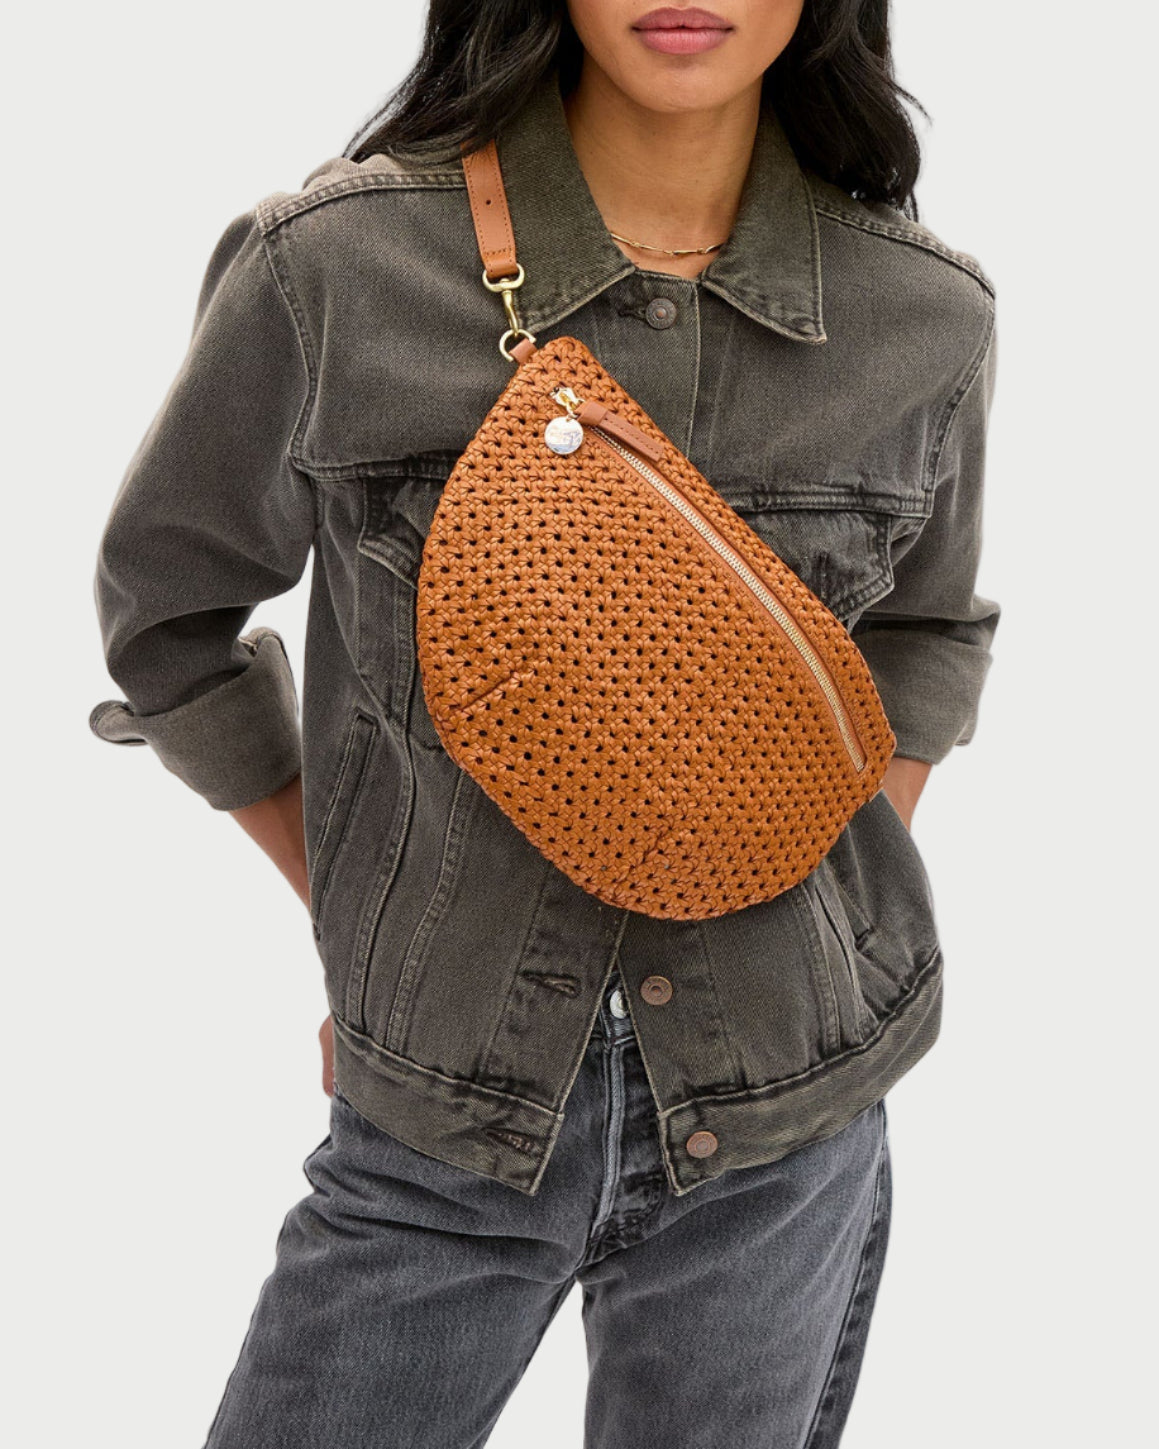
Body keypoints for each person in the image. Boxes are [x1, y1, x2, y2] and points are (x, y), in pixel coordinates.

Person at [88, 2, 1002, 1444]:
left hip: (788, 1115)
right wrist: (358, 911)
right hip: (440, 1129)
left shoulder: (927, 316)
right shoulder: (333, 272)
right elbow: (169, 614)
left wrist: (760, 847)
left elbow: (928, 630)